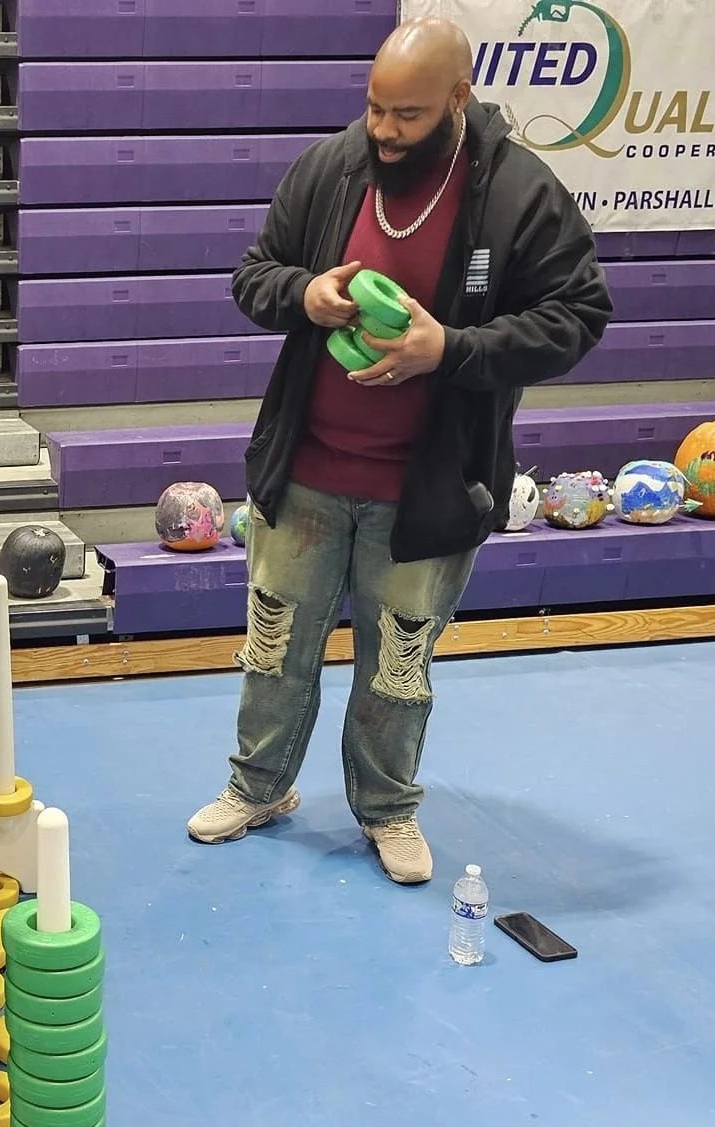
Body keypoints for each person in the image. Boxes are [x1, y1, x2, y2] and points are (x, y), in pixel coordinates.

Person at [185, 19, 612, 883]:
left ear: (458, 99)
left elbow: (578, 315)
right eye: (375, 107)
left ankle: (387, 809)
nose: (383, 130)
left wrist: (448, 349)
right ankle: (258, 786)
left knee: (399, 663)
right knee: (272, 647)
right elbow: (253, 274)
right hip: (304, 472)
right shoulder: (334, 167)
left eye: (407, 115)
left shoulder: (518, 192)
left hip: (426, 490)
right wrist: (305, 293)